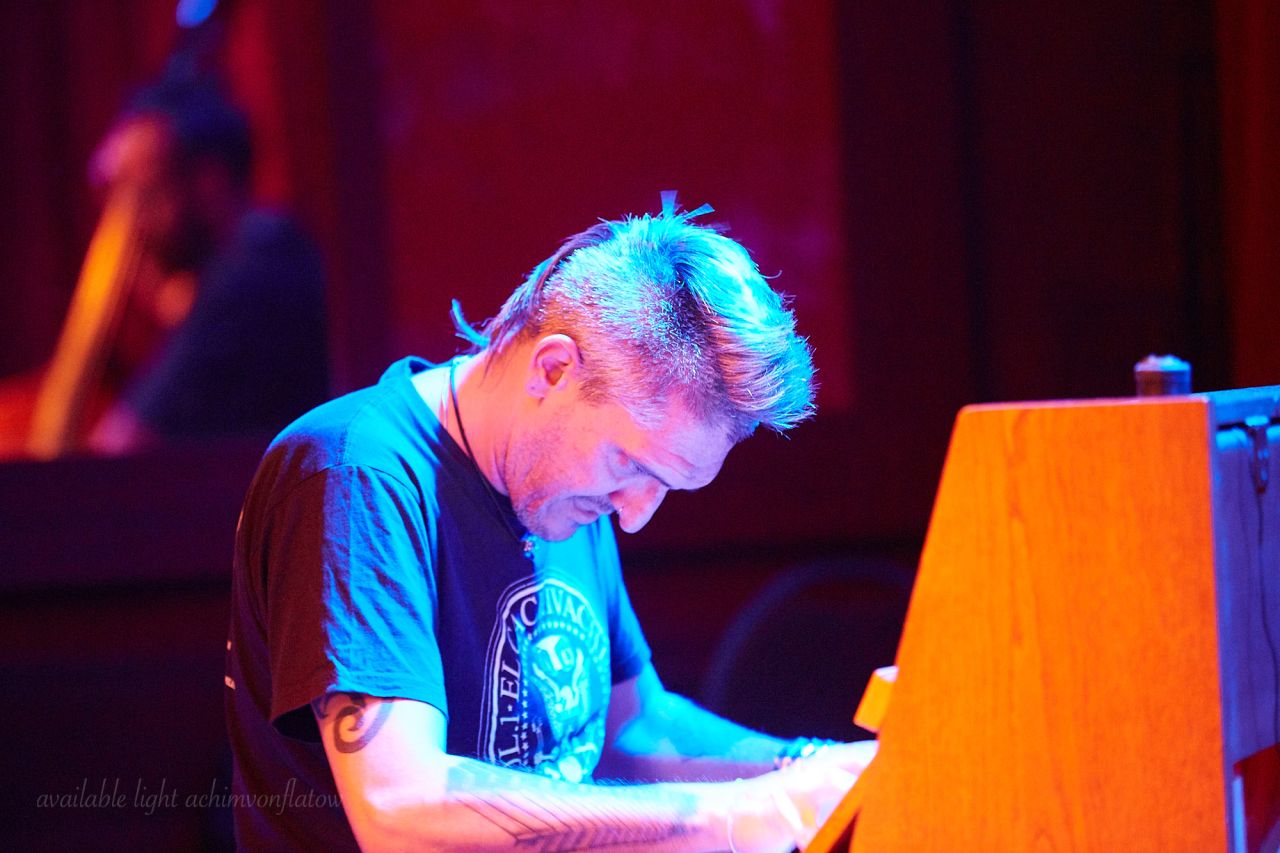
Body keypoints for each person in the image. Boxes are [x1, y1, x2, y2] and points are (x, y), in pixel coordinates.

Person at [224, 194, 875, 851]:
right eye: (631, 466)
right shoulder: (356, 475)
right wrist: (739, 816)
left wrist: (814, 769)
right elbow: (399, 807)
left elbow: (631, 730)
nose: (635, 514)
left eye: (667, 486)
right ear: (554, 369)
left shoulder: (565, 481)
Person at [86, 80, 329, 453]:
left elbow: (122, 445)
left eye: (145, 193)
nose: (130, 225)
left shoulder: (257, 265)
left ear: (208, 181)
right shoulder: (250, 257)